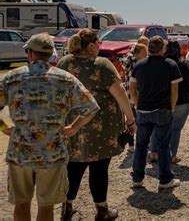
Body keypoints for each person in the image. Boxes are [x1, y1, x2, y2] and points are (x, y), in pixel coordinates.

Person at [0, 33, 99, 221]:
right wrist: (73, 128)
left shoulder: (11, 78)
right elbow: (91, 107)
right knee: (46, 206)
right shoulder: (65, 79)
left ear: (30, 53)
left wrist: (4, 127)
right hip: (52, 152)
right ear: (50, 54)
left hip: (20, 151)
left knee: (21, 203)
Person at [57, 29, 136, 221]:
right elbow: (119, 94)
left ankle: (66, 208)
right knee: (99, 169)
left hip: (72, 125)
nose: (100, 47)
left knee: (73, 168)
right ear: (91, 45)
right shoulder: (102, 64)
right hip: (101, 126)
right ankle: (102, 210)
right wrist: (130, 118)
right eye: (99, 43)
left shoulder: (64, 63)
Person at [130, 36, 181, 189]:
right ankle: (165, 179)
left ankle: (137, 178)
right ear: (163, 49)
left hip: (143, 110)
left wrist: (138, 105)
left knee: (140, 145)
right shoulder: (170, 64)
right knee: (163, 145)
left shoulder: (139, 65)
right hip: (162, 109)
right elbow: (174, 90)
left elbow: (132, 89)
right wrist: (171, 108)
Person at [163, 41, 189, 163]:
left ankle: (155, 152)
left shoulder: (162, 64)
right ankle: (172, 155)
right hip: (183, 102)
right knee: (175, 129)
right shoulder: (184, 64)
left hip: (164, 101)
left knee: (160, 128)